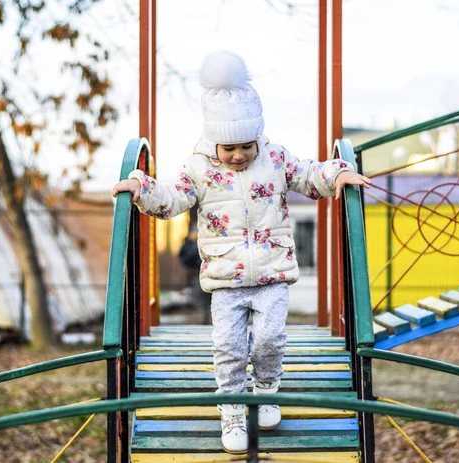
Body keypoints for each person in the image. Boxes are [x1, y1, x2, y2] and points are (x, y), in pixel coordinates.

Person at [112, 50, 372, 454]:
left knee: (270, 339)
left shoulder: (275, 158)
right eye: (228, 147)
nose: (238, 155)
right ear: (213, 141)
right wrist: (142, 188)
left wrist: (336, 172)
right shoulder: (199, 167)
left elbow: (308, 174)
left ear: (258, 136)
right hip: (225, 279)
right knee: (229, 347)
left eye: (246, 146)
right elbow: (175, 197)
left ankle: (266, 388)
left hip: (272, 273)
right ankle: (232, 405)